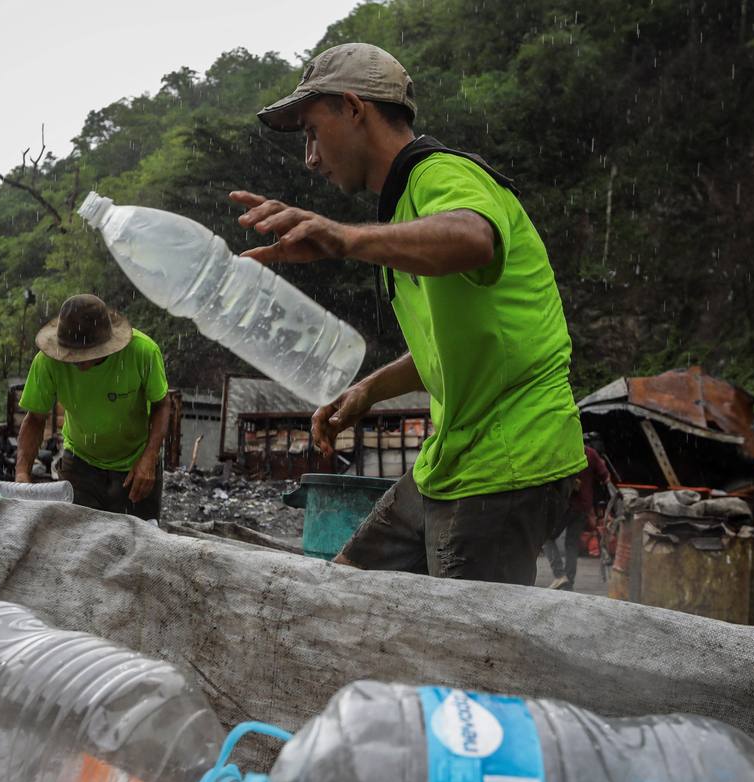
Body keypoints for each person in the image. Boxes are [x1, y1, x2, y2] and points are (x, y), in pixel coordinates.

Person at [233, 42, 585, 585]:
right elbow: (454, 344)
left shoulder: (438, 174)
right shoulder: (402, 210)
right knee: (345, 590)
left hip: (505, 463)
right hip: (449, 460)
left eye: (311, 131)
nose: (310, 157)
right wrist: (367, 391)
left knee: (461, 651)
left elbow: (474, 237)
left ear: (353, 108)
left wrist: (344, 237)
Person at [15, 294, 170, 520]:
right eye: (71, 354)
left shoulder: (142, 352)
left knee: (139, 542)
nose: (78, 362)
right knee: (73, 537)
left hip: (134, 464)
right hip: (80, 463)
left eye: (85, 355)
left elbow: (162, 405)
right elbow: (35, 419)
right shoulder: (48, 361)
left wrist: (149, 457)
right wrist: (22, 474)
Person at [543, 444, 613, 590]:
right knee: (571, 544)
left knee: (546, 537)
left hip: (567, 505)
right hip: (584, 506)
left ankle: (559, 575)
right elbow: (605, 476)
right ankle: (569, 583)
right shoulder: (590, 453)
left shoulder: (564, 450)